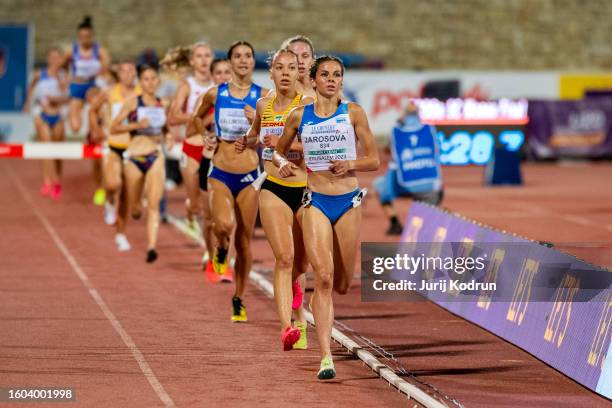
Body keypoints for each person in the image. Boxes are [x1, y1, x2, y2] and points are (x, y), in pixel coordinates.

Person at [274, 56, 379, 379]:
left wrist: (351, 165)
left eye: (337, 75)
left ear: (342, 82)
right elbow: (278, 151)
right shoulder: (299, 116)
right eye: (325, 75)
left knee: (344, 284)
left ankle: (324, 327)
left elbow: (374, 159)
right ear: (314, 81)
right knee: (323, 277)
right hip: (315, 200)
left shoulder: (353, 113)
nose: (331, 80)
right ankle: (325, 358)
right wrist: (285, 163)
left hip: (348, 201)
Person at [235, 48, 313, 350]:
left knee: (303, 263)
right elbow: (256, 134)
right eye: (279, 67)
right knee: (284, 257)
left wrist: (285, 144)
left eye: (290, 68)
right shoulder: (263, 104)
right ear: (271, 73)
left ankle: (298, 301)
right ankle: (289, 327)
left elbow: (318, 148)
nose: (284, 72)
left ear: (298, 73)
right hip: (274, 187)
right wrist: (248, 140)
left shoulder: (307, 105)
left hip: (305, 188)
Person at [192, 41, 269, 321]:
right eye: (238, 56)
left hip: (250, 174)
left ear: (252, 61)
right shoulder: (216, 93)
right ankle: (220, 249)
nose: (244, 60)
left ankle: (239, 297)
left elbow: (271, 136)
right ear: (230, 61)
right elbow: (197, 118)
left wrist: (255, 126)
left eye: (248, 55)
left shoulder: (264, 97)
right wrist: (207, 134)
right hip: (221, 170)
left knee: (245, 241)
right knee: (222, 224)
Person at [165, 43, 216, 269]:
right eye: (199, 56)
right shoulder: (188, 85)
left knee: (210, 208)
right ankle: (189, 206)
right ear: (192, 62)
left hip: (213, 149)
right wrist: (197, 117)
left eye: (207, 55)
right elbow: (173, 117)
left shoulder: (219, 85)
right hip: (191, 148)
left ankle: (209, 252)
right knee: (196, 205)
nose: (204, 60)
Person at [110, 65, 167, 263]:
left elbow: (167, 128)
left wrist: (169, 138)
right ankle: (134, 206)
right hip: (134, 157)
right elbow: (114, 127)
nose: (150, 83)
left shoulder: (163, 104)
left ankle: (151, 247)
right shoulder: (133, 103)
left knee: (153, 204)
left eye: (153, 78)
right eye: (146, 79)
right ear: (140, 83)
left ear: (158, 81)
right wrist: (136, 125)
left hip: (155, 156)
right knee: (134, 207)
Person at [88, 59, 141, 250]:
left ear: (135, 73)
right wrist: (96, 129)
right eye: (124, 71)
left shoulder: (141, 93)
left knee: (127, 195)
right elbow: (92, 110)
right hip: (113, 145)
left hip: (134, 148)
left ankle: (121, 234)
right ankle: (110, 201)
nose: (127, 74)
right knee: (112, 183)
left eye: (131, 70)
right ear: (118, 74)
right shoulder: (110, 92)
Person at [373, 102, 443, 235]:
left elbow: (389, 149)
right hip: (432, 187)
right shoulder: (429, 129)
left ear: (404, 115)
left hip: (404, 185)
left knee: (379, 186)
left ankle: (394, 223)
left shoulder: (397, 131)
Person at [63, 15, 110, 206]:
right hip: (77, 87)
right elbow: (60, 66)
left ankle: (95, 124)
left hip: (92, 86)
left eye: (87, 36)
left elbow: (106, 69)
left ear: (92, 36)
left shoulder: (100, 50)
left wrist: (99, 77)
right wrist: (65, 78)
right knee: (74, 127)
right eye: (81, 36)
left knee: (94, 100)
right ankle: (85, 122)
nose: (84, 39)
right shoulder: (71, 50)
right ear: (78, 36)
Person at [23, 47, 69, 200]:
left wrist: (57, 98)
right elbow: (30, 88)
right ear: (48, 59)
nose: (55, 60)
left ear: (61, 60)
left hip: (58, 114)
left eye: (58, 57)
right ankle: (49, 181)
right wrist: (30, 102)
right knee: (46, 146)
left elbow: (67, 97)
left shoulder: (64, 76)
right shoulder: (39, 74)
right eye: (52, 57)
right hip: (41, 114)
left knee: (57, 150)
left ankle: (57, 178)